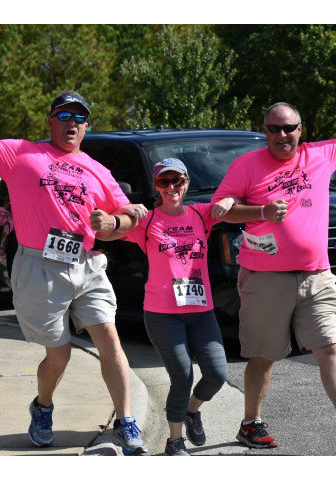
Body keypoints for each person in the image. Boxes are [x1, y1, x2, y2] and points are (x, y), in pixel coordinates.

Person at [0, 78, 150, 455]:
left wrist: (113, 224)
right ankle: (42, 406)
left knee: (110, 340)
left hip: (88, 263)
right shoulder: (21, 154)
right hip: (39, 266)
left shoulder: (96, 169)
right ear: (51, 121)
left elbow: (126, 215)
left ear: (86, 127)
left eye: (80, 117)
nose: (72, 122)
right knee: (58, 353)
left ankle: (127, 422)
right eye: (64, 115)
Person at [211, 73, 336, 455]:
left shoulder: (319, 155)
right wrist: (258, 210)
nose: (282, 135)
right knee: (264, 356)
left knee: (330, 348)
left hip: (316, 275)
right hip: (265, 279)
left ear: (299, 130)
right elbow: (221, 210)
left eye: (289, 128)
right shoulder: (247, 166)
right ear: (265, 130)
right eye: (274, 129)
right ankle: (250, 423)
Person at [99, 158, 239, 455]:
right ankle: (174, 441)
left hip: (201, 312)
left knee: (217, 373)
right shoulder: (148, 220)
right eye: (165, 182)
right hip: (162, 314)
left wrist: (228, 199)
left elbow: (237, 205)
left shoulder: (201, 214)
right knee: (182, 375)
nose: (172, 187)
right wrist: (115, 215)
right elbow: (110, 231)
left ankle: (190, 411)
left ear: (186, 183)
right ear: (156, 187)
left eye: (177, 181)